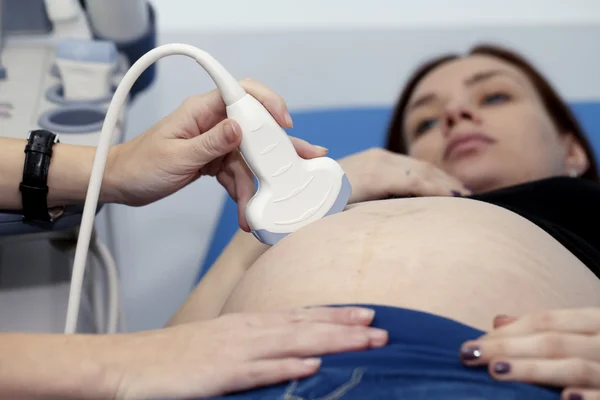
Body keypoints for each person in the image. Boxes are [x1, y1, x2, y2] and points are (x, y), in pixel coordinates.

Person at [169, 44, 600, 399]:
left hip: (496, 376)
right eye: (426, 121)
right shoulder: (319, 207)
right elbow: (162, 366)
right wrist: (301, 208)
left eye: (494, 97)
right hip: (258, 379)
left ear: (573, 151)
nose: (455, 116)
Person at [0, 80, 390, 399]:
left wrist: (115, 168)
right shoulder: (274, 227)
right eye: (425, 121)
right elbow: (180, 346)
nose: (453, 118)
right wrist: (125, 363)